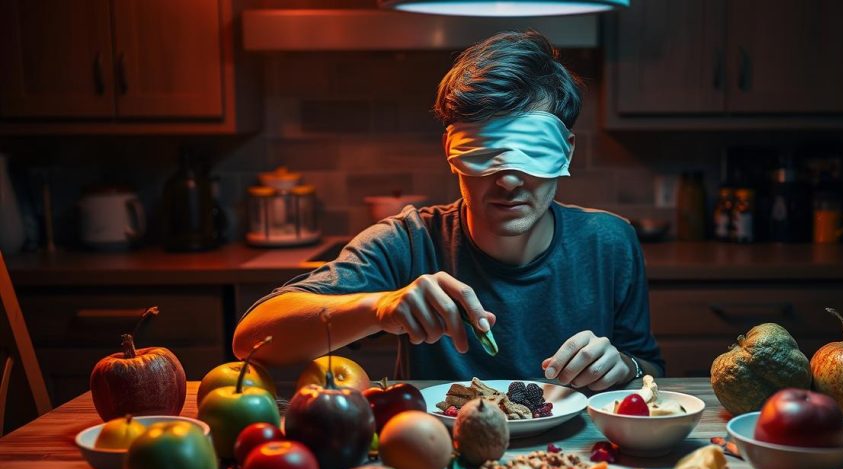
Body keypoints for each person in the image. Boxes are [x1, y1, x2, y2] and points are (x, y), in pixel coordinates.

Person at [233, 31, 663, 390]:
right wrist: (379, 308)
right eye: (482, 151)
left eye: (532, 151)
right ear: (451, 151)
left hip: (577, 449)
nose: (508, 181)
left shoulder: (611, 243)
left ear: (565, 150)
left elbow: (652, 371)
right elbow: (251, 338)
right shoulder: (408, 241)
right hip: (435, 448)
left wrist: (626, 367)